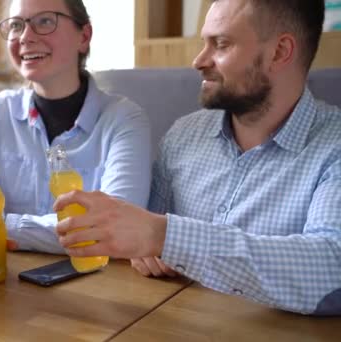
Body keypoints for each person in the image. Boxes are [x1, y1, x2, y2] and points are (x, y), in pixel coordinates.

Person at [55, 0, 341, 315]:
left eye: (221, 44)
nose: (199, 60)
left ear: (279, 52)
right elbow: (142, 235)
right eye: (204, 43)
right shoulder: (183, 134)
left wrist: (165, 236)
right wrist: (145, 249)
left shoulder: (334, 146)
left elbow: (331, 267)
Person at [0, 0, 151, 275]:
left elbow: (114, 227)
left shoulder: (124, 119)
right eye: (16, 25)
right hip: (2, 282)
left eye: (45, 21)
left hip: (100, 291)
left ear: (84, 36)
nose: (25, 37)